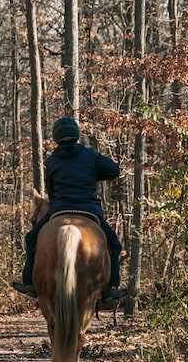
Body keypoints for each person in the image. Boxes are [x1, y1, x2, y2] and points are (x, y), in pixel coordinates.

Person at [12, 117, 129, 302]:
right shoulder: (90, 155)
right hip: (88, 210)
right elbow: (114, 170)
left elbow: (51, 191)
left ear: (56, 137)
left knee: (31, 238)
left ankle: (29, 282)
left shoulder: (51, 161)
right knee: (114, 245)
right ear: (76, 134)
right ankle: (111, 286)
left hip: (59, 210)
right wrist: (91, 173)